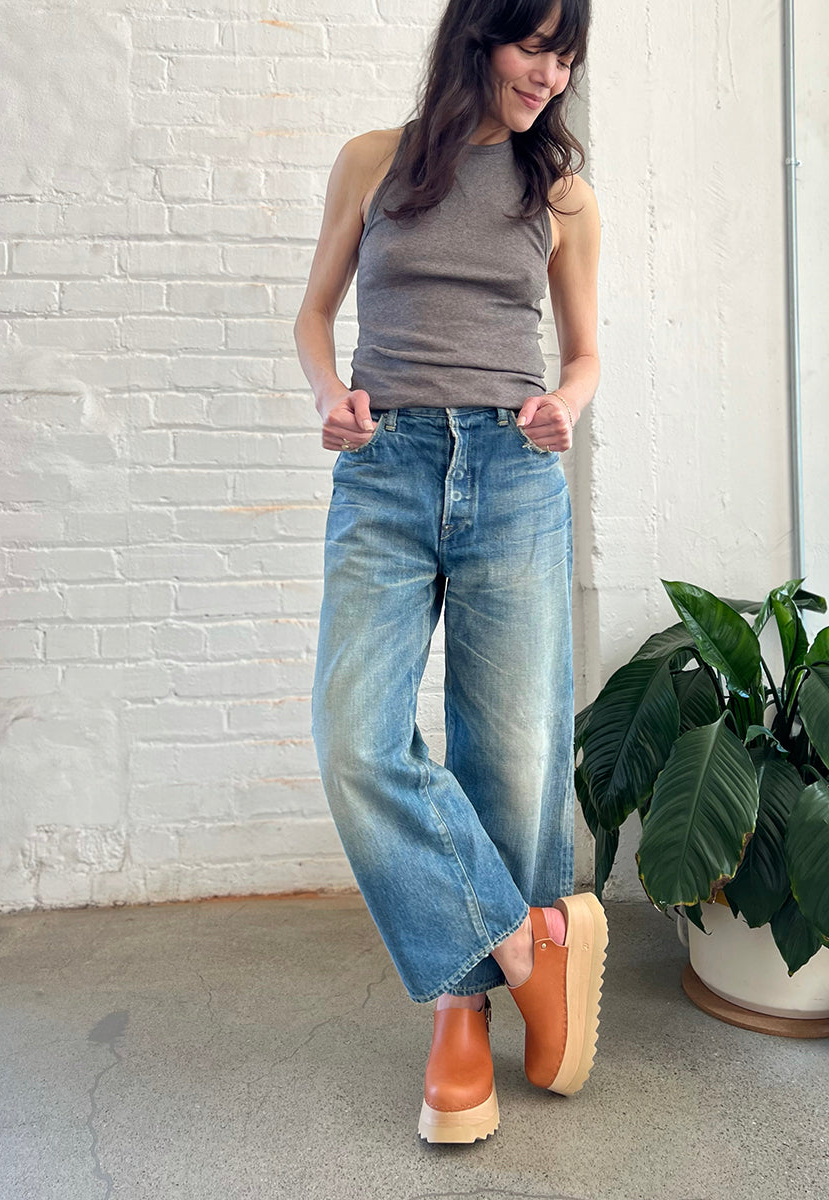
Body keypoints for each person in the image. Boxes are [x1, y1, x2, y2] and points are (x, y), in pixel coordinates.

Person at [293, 0, 607, 1144]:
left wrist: (564, 405)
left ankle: (459, 1011)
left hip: (513, 472)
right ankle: (526, 947)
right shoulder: (371, 162)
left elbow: (583, 353)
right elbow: (314, 316)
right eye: (534, 45)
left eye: (565, 54)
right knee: (354, 738)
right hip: (384, 470)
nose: (550, 73)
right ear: (477, 37)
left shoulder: (559, 193)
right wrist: (330, 397)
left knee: (511, 757)